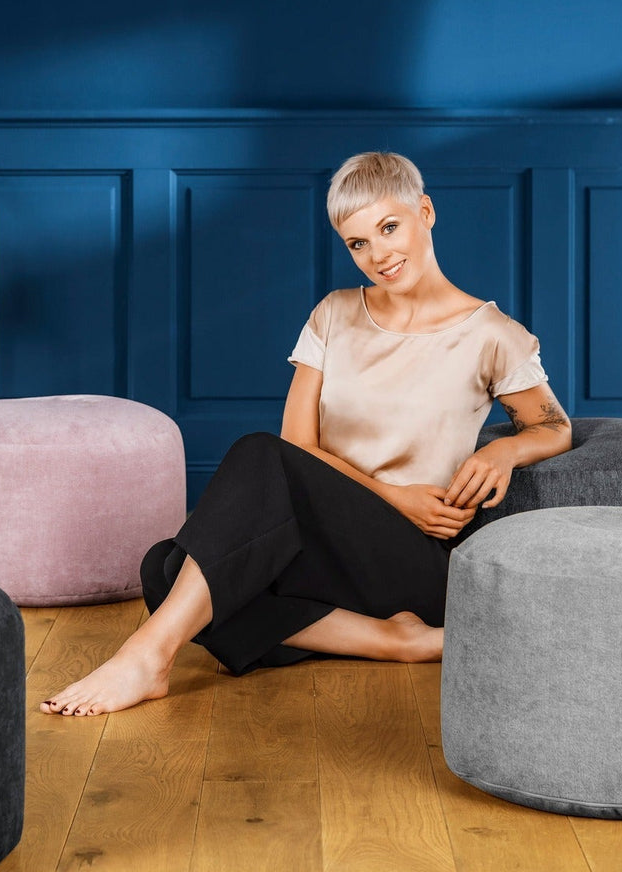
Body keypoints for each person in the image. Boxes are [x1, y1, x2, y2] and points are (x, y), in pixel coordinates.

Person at [42, 151, 572, 718]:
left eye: (389, 228)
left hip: (414, 554)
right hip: (333, 537)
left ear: (425, 212)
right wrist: (394, 495)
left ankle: (146, 656)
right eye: (358, 243)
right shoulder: (334, 313)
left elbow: (555, 427)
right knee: (164, 569)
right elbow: (298, 449)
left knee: (250, 464)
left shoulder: (492, 333)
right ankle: (394, 640)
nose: (378, 255)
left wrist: (504, 450)